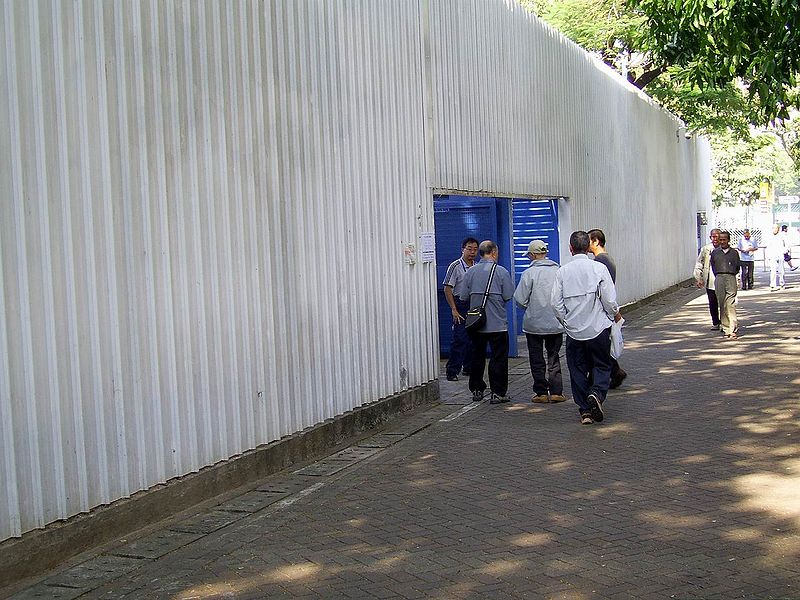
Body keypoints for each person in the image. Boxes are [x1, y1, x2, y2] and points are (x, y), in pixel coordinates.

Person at [551, 231, 621, 425]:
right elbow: (608, 298)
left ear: (570, 248)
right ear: (588, 246)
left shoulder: (562, 272)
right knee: (602, 364)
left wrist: (565, 321)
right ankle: (597, 393)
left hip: (574, 330)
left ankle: (585, 411)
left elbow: (555, 303)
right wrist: (612, 314)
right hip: (598, 327)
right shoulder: (598, 268)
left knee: (577, 368)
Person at [459, 240, 515, 404]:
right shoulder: (501, 272)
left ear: (481, 253)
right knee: (498, 357)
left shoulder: (470, 272)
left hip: (476, 323)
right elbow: (508, 295)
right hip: (497, 323)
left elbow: (463, 296)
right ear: (494, 252)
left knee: (477, 356)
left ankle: (477, 389)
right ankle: (497, 392)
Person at [513, 240, 566, 404]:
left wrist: (530, 306)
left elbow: (519, 299)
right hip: (555, 323)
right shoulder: (559, 271)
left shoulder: (529, 273)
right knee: (554, 357)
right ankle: (557, 392)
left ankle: (541, 392)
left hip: (534, 324)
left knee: (536, 358)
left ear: (533, 255)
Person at [588, 228, 626, 388]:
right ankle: (614, 372)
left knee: (597, 347)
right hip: (606, 310)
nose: (587, 245)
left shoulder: (599, 262)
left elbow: (600, 290)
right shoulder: (607, 260)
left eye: (589, 241)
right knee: (602, 346)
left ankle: (609, 374)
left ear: (596, 241)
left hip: (600, 311)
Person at [442, 237, 479, 381]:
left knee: (473, 339)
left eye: (475, 249)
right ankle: (452, 370)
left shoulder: (477, 266)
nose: (472, 252)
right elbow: (447, 288)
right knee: (460, 339)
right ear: (462, 249)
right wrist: (453, 309)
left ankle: (468, 367)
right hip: (460, 304)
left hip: (473, 304)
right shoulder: (455, 266)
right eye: (469, 249)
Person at [710, 231, 741, 339]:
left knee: (730, 303)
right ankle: (726, 327)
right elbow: (713, 266)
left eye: (724, 239)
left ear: (728, 240)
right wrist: (719, 275)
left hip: (731, 277)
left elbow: (737, 266)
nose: (722, 242)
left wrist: (732, 275)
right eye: (720, 240)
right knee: (722, 303)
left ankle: (732, 328)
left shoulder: (734, 253)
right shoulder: (715, 252)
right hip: (719, 278)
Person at [693, 228, 721, 330]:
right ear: (710, 237)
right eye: (713, 237)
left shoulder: (724, 248)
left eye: (717, 236)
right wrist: (699, 278)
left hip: (722, 280)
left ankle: (724, 322)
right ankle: (715, 322)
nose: (715, 239)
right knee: (712, 302)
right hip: (710, 281)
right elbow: (699, 263)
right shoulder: (706, 249)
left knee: (723, 303)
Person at [765, 224, 786, 291]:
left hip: (780, 255)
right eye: (773, 228)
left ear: (778, 229)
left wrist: (785, 251)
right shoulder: (770, 237)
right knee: (773, 271)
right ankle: (773, 285)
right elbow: (768, 247)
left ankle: (782, 284)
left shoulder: (782, 236)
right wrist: (767, 257)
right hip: (772, 255)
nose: (774, 229)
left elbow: (786, 244)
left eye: (776, 228)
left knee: (781, 271)